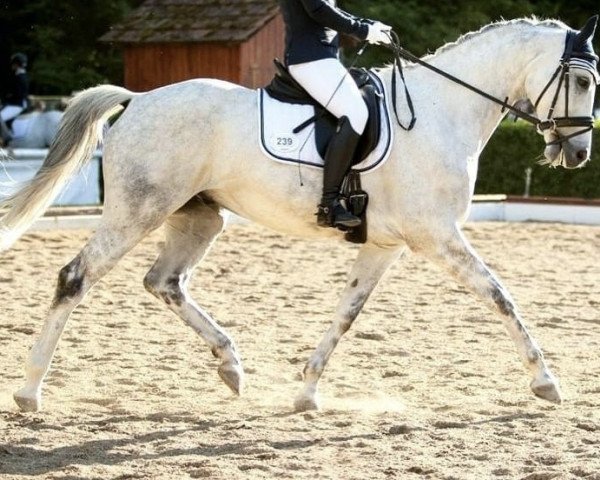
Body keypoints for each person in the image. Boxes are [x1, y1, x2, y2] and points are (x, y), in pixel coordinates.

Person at [278, 0, 392, 228]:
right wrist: (363, 30)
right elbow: (318, 10)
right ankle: (328, 204)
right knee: (356, 113)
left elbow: (332, 11)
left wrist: (366, 24)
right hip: (310, 58)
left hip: (324, 58)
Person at [0, 53, 29, 138]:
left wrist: (7, 98)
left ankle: (7, 137)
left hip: (17, 105)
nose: (12, 65)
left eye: (13, 64)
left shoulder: (21, 77)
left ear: (17, 64)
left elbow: (18, 94)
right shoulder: (18, 76)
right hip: (14, 103)